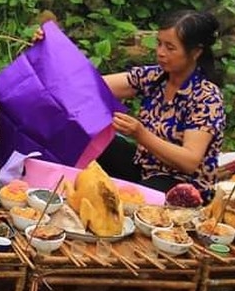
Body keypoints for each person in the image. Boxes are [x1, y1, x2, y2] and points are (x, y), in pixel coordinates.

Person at [93, 10, 225, 194]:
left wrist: (140, 134)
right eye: (159, 44)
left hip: (183, 183)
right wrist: (43, 47)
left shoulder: (207, 97)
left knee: (139, 196)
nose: (161, 53)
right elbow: (90, 85)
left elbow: (189, 161)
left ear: (195, 52)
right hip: (145, 168)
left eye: (170, 48)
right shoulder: (154, 77)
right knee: (95, 141)